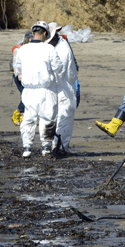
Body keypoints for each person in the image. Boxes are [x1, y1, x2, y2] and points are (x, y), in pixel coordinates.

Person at [14, 21, 63, 158]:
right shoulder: (49, 49)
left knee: (28, 119)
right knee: (47, 118)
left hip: (28, 90)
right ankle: (46, 148)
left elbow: (18, 68)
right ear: (44, 33)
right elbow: (58, 68)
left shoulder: (23, 49)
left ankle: (27, 148)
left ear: (34, 33)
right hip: (46, 90)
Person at [47, 22, 78, 154]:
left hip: (65, 91)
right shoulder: (58, 45)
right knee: (56, 120)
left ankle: (61, 149)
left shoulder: (62, 50)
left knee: (63, 120)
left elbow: (58, 73)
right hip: (60, 88)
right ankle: (56, 147)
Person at [11, 30, 33, 126]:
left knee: (27, 96)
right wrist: (20, 75)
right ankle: (17, 114)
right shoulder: (18, 49)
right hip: (19, 77)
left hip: (28, 77)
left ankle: (25, 115)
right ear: (27, 39)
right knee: (25, 96)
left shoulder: (30, 48)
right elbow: (15, 65)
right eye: (31, 40)